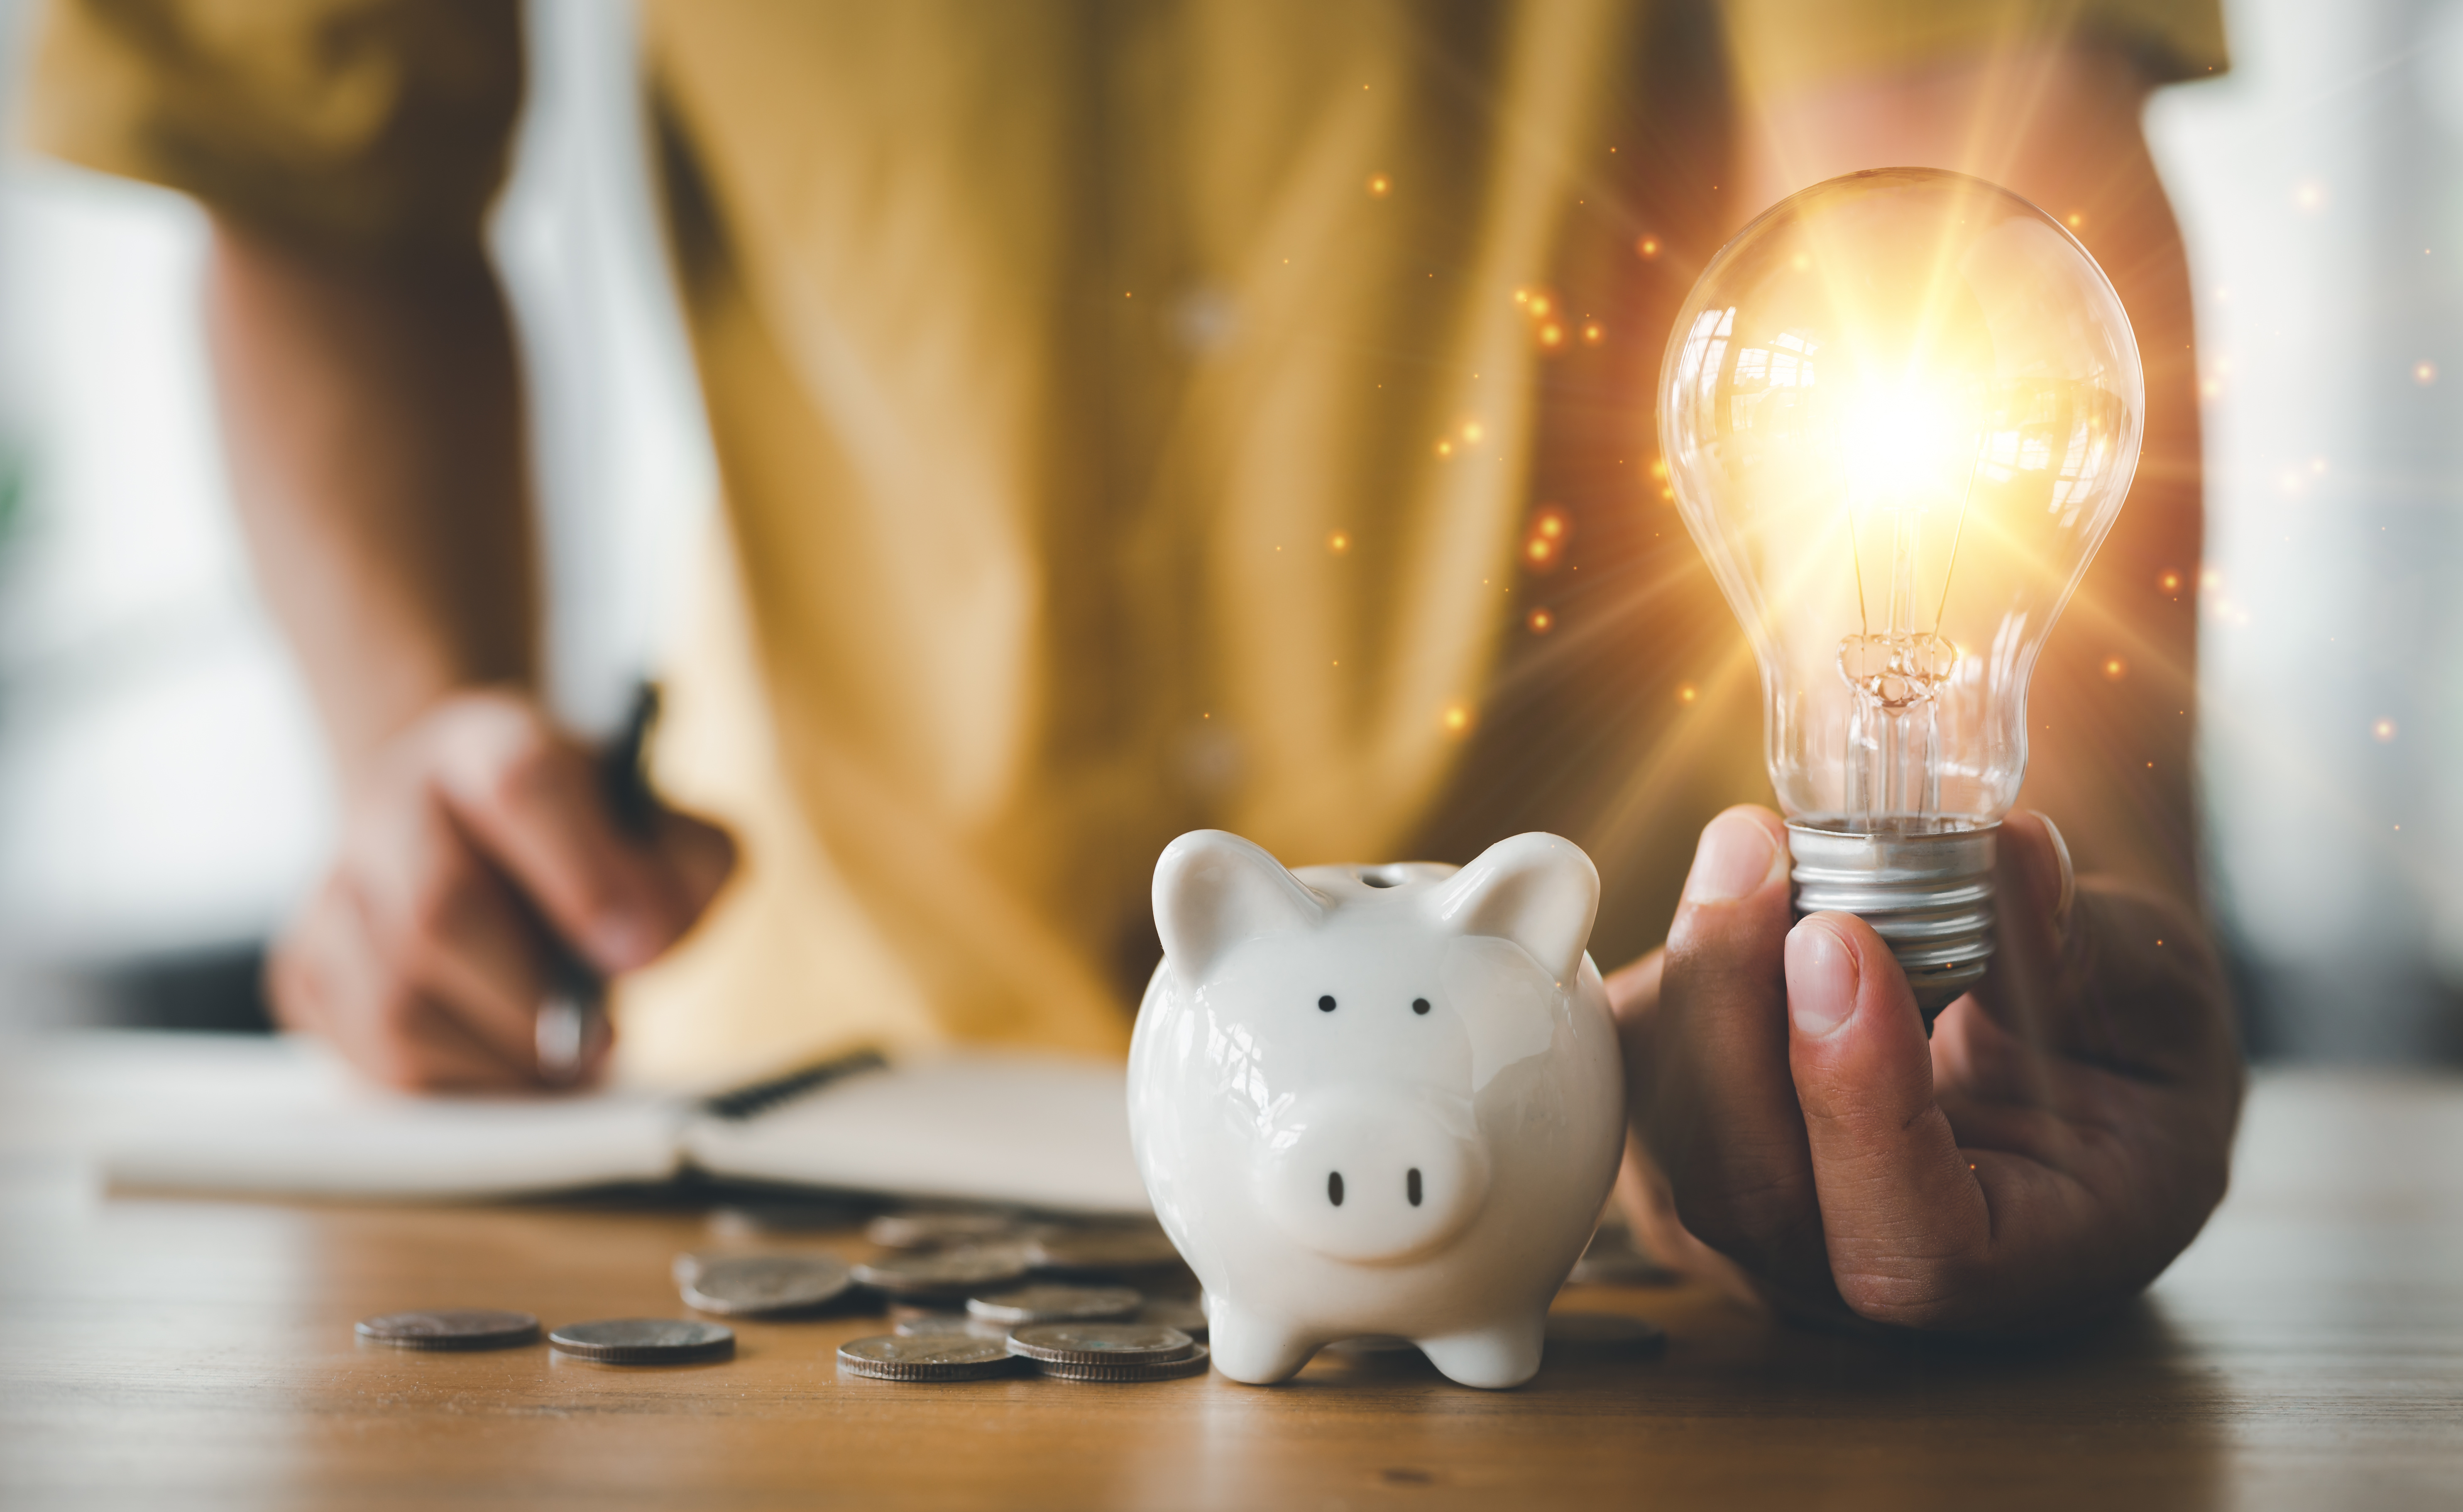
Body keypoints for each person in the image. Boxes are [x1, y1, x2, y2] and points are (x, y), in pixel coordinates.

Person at [27, 0, 2240, 1335]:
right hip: (832, 1090)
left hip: (1655, 1106)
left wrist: (1995, 992)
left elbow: (1951, 215)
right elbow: (310, 152)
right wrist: (421, 725)